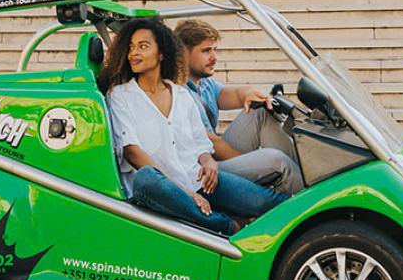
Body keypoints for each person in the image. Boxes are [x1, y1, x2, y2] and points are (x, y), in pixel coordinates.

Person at [99, 17, 286, 236]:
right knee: (145, 178)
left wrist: (209, 162)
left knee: (270, 202)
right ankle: (226, 226)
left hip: (197, 178)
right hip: (164, 189)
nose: (134, 53)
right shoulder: (121, 96)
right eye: (131, 47)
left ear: (162, 53)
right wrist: (187, 193)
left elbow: (201, 144)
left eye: (143, 46)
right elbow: (132, 152)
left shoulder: (181, 95)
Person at [175, 19, 304, 196]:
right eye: (206, 51)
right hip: (202, 169)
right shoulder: (177, 91)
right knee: (276, 161)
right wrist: (254, 161)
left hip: (216, 158)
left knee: (260, 111)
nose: (214, 57)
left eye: (214, 50)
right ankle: (310, 203)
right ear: (183, 54)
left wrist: (249, 93)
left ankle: (301, 178)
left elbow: (235, 94)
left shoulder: (204, 84)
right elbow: (212, 144)